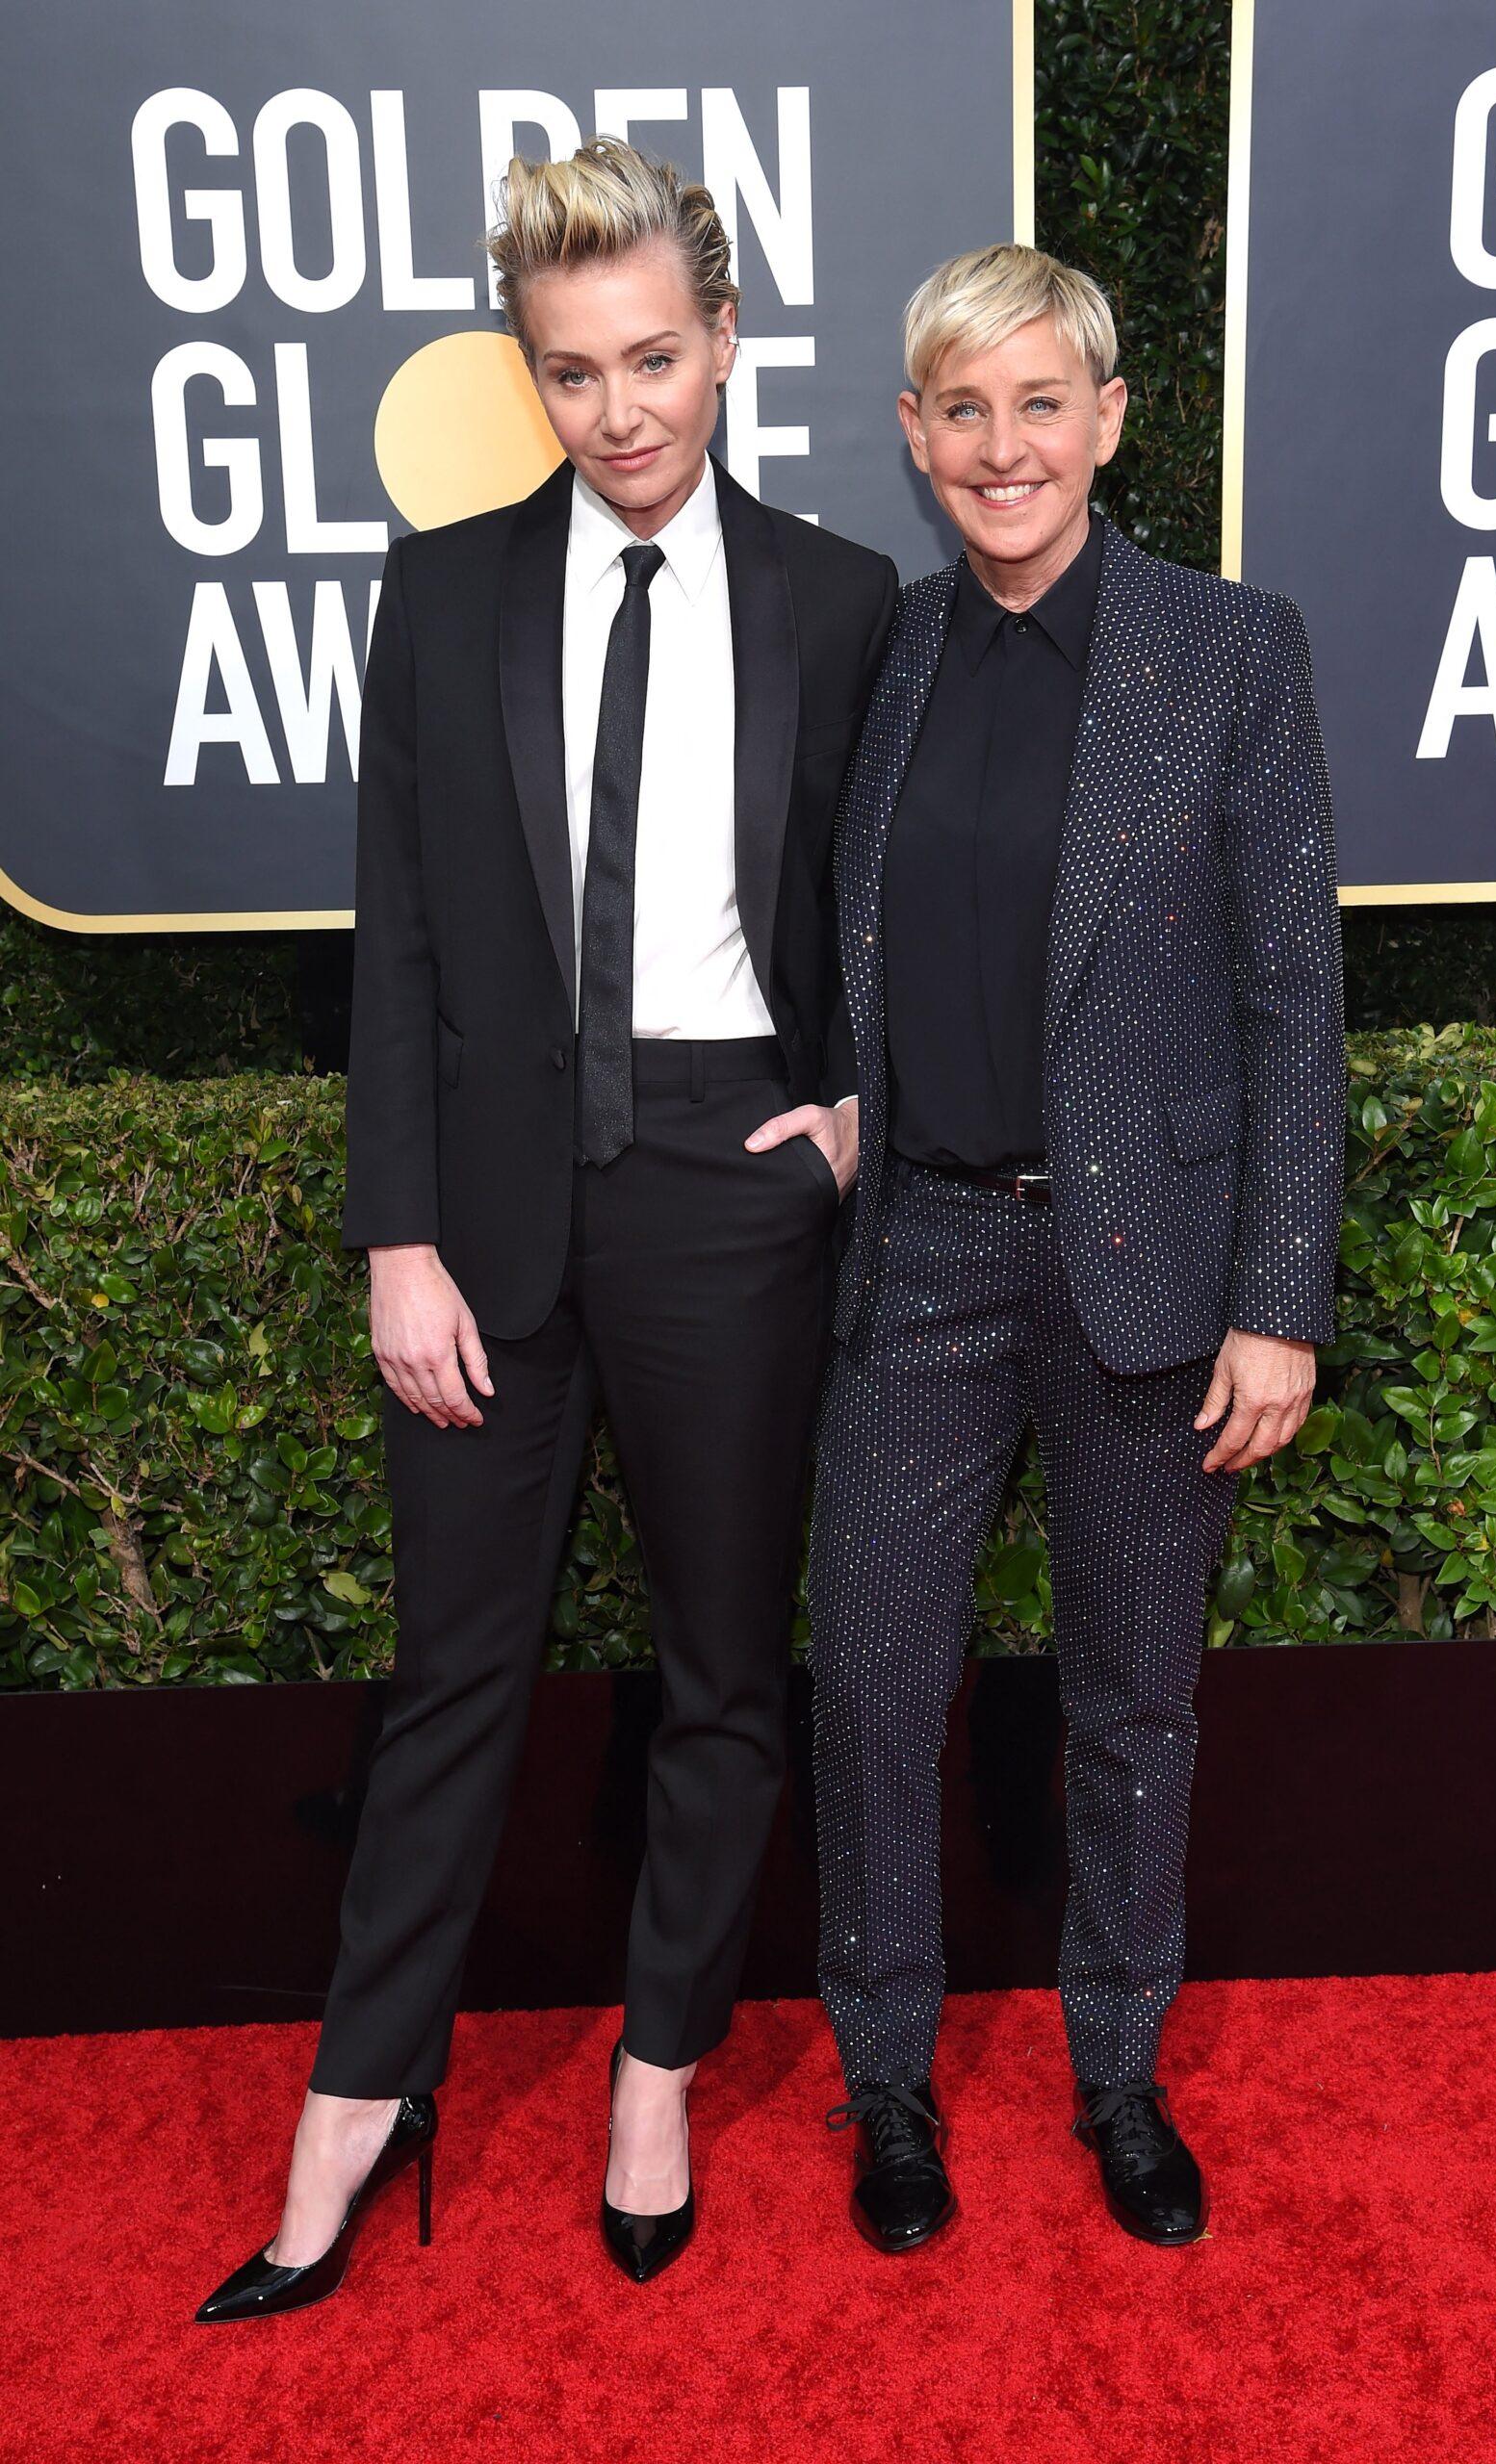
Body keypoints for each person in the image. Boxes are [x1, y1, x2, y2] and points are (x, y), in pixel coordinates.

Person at [196, 138, 895, 2319]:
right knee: (451, 1675)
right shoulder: (444, 594)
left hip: (727, 1186)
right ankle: (357, 2097)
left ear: (726, 339)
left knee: (721, 1667)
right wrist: (396, 1236)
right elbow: (394, 938)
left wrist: (856, 1115)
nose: (619, 409)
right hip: (487, 1207)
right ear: (529, 369)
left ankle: (657, 2072)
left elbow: (900, 898)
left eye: (655, 358)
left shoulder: (842, 600)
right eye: (573, 369)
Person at [810, 243, 1344, 2254]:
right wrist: (823, 1095)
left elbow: (1293, 995)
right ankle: (888, 2079)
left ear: (1109, 421)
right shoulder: (881, 655)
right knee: (874, 1683)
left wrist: (1276, 1298)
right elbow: (813, 926)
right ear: (914, 434)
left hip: (1150, 1261)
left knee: (1134, 1700)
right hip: (922, 1254)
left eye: (1042, 402)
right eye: (965, 408)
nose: (1004, 444)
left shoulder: (1229, 650)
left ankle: (1119, 2069)